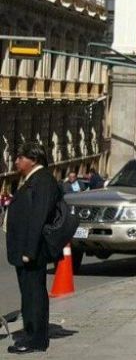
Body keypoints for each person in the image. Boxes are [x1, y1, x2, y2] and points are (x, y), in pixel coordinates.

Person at [4, 142, 58, 354]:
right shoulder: (31, 179)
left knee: (34, 294)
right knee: (28, 293)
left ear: (33, 159)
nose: (16, 161)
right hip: (25, 249)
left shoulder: (43, 181)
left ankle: (36, 339)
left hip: (32, 251)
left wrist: (30, 250)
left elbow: (38, 217)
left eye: (20, 157)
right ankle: (30, 333)